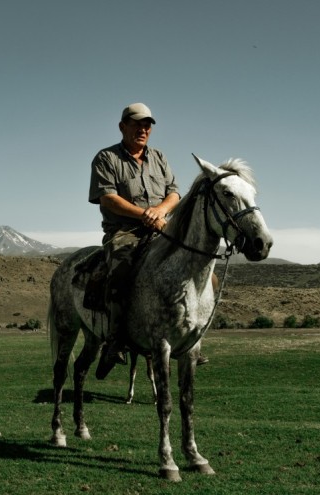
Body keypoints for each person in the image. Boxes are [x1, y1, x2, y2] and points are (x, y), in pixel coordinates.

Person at [88, 103, 180, 379]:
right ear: (122, 126)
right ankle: (115, 340)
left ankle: (189, 337)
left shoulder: (159, 158)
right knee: (120, 270)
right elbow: (108, 198)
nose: (143, 129)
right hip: (124, 232)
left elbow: (174, 192)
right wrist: (144, 215)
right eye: (137, 123)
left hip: (161, 228)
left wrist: (161, 211)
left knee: (196, 266)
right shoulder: (106, 158)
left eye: (148, 125)